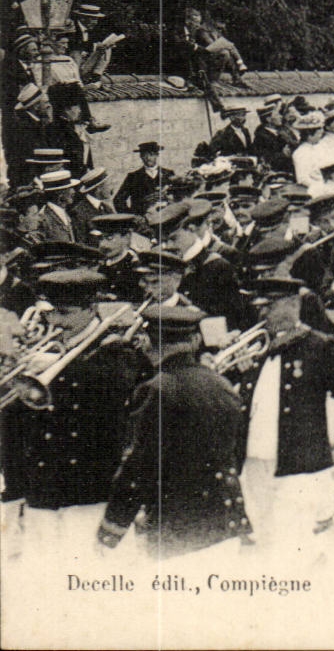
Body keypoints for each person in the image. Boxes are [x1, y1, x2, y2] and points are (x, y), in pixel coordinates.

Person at [6, 270, 149, 559]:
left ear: (91, 309)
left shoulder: (118, 352)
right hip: (42, 488)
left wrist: (58, 366)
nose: (56, 322)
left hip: (87, 492)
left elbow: (110, 396)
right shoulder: (49, 350)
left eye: (65, 313)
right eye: (51, 313)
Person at [234, 277, 334, 555]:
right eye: (259, 307)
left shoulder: (318, 347)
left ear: (292, 305)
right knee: (260, 531)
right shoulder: (256, 346)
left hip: (299, 460)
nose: (261, 313)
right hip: (255, 455)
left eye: (269, 306)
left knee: (291, 537)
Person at [98, 303, 252, 560]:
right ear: (193, 341)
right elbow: (238, 450)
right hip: (227, 519)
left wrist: (111, 529)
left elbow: (140, 465)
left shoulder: (155, 389)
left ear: (147, 342)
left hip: (178, 525)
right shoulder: (221, 384)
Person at [114, 141, 172, 214]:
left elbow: (178, 197)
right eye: (145, 155)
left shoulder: (168, 174)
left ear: (157, 155)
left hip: (166, 218)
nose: (148, 158)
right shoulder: (133, 177)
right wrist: (132, 217)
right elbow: (118, 200)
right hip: (142, 221)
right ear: (141, 157)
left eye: (151, 154)